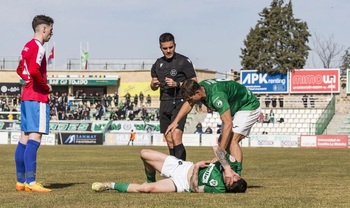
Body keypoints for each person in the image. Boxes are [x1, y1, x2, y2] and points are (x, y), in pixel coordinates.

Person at [165, 79, 260, 176]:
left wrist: (221, 153)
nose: (190, 102)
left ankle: (237, 176)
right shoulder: (200, 88)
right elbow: (189, 104)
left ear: (198, 93)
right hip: (234, 107)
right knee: (221, 142)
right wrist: (175, 122)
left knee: (231, 141)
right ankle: (227, 172)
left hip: (248, 106)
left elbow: (228, 124)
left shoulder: (217, 96)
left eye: (190, 98)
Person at [91, 145, 247, 193]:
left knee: (147, 189)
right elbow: (217, 148)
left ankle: (109, 185)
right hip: (182, 166)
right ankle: (149, 178)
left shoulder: (219, 189)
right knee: (144, 153)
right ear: (237, 177)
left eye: (226, 184)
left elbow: (194, 189)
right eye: (228, 180)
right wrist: (226, 168)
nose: (225, 181)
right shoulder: (231, 165)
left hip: (182, 183)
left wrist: (197, 168)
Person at [14, 15, 54, 192]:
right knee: (35, 138)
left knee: (23, 138)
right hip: (37, 97)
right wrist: (45, 87)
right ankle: (31, 182)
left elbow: (20, 69)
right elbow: (36, 70)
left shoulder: (26, 46)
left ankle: (20, 181)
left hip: (26, 96)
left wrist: (27, 80)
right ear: (44, 29)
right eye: (51, 30)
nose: (51, 34)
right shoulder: (38, 47)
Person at [150, 32, 197, 160]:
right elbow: (153, 86)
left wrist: (177, 84)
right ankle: (174, 169)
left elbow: (194, 83)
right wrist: (154, 84)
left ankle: (181, 170)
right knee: (169, 139)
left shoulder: (184, 61)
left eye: (171, 47)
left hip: (180, 101)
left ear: (174, 45)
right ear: (160, 48)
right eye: (165, 48)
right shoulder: (157, 64)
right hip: (164, 101)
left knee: (176, 135)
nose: (168, 50)